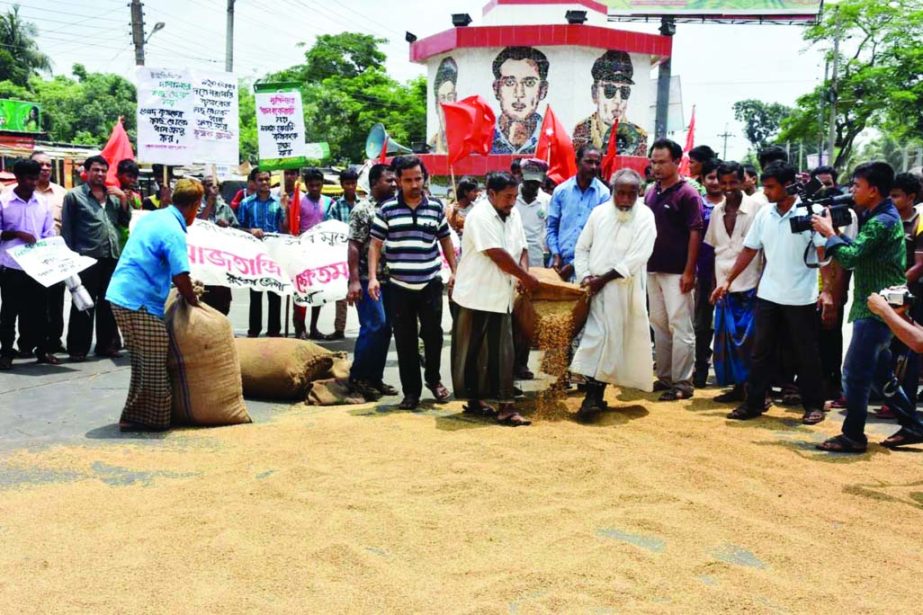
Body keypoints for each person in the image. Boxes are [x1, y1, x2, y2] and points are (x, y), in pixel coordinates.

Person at [811, 162, 923, 452]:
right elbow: (860, 251)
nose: (852, 191)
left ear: (873, 190)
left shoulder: (881, 221)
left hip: (876, 309)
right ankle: (912, 425)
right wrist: (836, 234)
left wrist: (829, 233)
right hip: (879, 306)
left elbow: (849, 258)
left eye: (857, 186)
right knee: (879, 373)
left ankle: (853, 435)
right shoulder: (881, 216)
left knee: (854, 372)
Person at [712, 161, 831, 424]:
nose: (765, 192)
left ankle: (814, 406)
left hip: (801, 296)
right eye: (764, 186)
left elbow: (824, 253)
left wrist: (828, 292)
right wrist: (728, 281)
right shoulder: (765, 214)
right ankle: (754, 402)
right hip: (768, 295)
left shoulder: (813, 211)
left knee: (806, 353)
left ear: (788, 186)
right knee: (760, 352)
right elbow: (750, 249)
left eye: (771, 187)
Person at [106, 178, 202, 432]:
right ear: (194, 205)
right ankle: (154, 419)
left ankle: (133, 415)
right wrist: (194, 301)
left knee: (142, 359)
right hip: (138, 299)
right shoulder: (173, 230)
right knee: (155, 358)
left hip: (122, 293)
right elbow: (181, 275)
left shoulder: (154, 217)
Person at [368, 156, 457, 410]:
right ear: (398, 181)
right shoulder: (386, 210)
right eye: (408, 180)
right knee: (405, 341)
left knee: (434, 336)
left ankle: (434, 379)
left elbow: (446, 241)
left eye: (418, 178)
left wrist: (455, 271)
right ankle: (411, 392)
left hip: (429, 283)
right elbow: (375, 245)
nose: (414, 184)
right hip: (399, 286)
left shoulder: (436, 207)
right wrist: (373, 277)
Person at [451, 171, 538, 426]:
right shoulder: (479, 216)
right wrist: (524, 276)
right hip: (476, 293)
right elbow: (496, 253)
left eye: (514, 196)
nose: (512, 201)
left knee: (502, 352)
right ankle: (475, 400)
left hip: (502, 295)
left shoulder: (514, 213)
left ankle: (506, 407)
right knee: (471, 352)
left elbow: (522, 247)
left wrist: (524, 275)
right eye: (507, 197)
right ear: (491, 194)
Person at [570, 168, 657, 418]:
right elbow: (582, 248)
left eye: (632, 194)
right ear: (612, 192)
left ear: (639, 193)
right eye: (621, 193)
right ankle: (592, 396)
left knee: (611, 341)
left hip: (624, 290)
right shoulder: (599, 213)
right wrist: (586, 276)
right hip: (594, 290)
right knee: (596, 340)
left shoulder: (645, 217)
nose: (626, 200)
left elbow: (638, 257)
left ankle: (594, 396)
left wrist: (603, 280)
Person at [645, 138, 703, 400]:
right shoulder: (650, 192)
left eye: (661, 162)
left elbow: (695, 232)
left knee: (681, 326)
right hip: (652, 268)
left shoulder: (688, 193)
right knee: (658, 323)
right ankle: (665, 376)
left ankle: (682, 382)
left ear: (678, 162)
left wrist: (690, 271)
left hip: (678, 271)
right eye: (653, 162)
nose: (656, 167)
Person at [705, 162, 765, 402]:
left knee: (752, 343)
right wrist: (713, 284)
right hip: (723, 286)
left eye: (733, 182)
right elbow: (714, 252)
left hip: (752, 284)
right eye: (724, 183)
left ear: (742, 181)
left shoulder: (758, 208)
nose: (728, 188)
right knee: (727, 341)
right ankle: (738, 388)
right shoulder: (716, 212)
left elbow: (765, 249)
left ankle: (758, 391)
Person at [61, 155, 130, 361]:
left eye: (103, 170)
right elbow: (68, 230)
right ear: (87, 172)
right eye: (96, 170)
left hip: (112, 256)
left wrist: (124, 199)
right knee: (83, 302)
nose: (100, 174)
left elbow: (124, 223)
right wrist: (70, 259)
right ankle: (78, 348)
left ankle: (106, 345)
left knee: (109, 303)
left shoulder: (114, 196)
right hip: (86, 258)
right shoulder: (74, 196)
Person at [3, 150, 68, 355]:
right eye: (29, 179)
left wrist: (50, 247)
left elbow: (48, 231)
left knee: (40, 311)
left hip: (37, 266)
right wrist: (16, 233)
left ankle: (42, 351)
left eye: (35, 178)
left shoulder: (43, 203)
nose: (33, 183)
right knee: (9, 311)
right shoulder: (4, 201)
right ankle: (6, 351)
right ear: (18, 178)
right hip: (10, 266)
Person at [346, 163, 399, 401]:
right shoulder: (363, 210)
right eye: (389, 180)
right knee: (374, 325)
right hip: (369, 279)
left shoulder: (397, 208)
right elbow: (354, 246)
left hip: (393, 280)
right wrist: (354, 281)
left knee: (386, 329)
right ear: (375, 182)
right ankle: (358, 379)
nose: (394, 184)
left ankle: (374, 379)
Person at [877, 172, 923, 415]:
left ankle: (904, 405)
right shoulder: (886, 219)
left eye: (895, 196)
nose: (891, 199)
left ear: (911, 197)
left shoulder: (920, 222)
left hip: (910, 295)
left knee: (909, 352)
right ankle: (888, 396)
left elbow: (919, 265)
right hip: (887, 297)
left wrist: (895, 287)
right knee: (888, 349)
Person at [546, 146, 612, 282]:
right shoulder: (561, 191)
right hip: (558, 266)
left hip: (587, 269)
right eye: (588, 161)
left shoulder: (604, 194)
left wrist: (573, 265)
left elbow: (602, 236)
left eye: (597, 163)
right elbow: (552, 228)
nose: (593, 167)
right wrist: (556, 255)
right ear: (577, 162)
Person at [512, 159, 551, 379]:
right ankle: (508, 363)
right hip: (510, 263)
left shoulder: (547, 201)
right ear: (520, 177)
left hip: (536, 265)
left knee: (527, 316)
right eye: (528, 183)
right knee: (510, 316)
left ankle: (522, 363)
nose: (532, 188)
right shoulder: (510, 197)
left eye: (536, 184)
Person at [237, 169, 286, 338]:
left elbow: (286, 230)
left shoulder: (280, 202)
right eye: (260, 180)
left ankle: (274, 331)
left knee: (275, 292)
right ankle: (254, 330)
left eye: (267, 179)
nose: (264, 183)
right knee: (256, 293)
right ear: (253, 182)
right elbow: (238, 228)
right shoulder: (246, 203)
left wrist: (286, 210)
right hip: (254, 254)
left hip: (275, 253)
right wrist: (250, 230)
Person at [572, 50, 648, 157]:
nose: (618, 100)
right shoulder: (582, 131)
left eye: (624, 91)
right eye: (609, 91)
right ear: (595, 94)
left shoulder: (640, 137)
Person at [293, 167, 334, 340]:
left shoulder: (329, 202)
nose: (315, 188)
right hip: (302, 250)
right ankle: (300, 327)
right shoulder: (299, 201)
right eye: (311, 185)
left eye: (318, 185)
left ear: (322, 184)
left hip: (321, 251)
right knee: (301, 290)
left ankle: (314, 326)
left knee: (318, 291)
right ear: (306, 185)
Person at [322, 168, 363, 341]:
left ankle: (365, 328)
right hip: (341, 253)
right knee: (341, 292)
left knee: (361, 291)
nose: (351, 187)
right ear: (342, 185)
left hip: (361, 254)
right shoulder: (336, 206)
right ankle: (340, 328)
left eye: (353, 183)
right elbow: (330, 228)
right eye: (347, 184)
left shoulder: (363, 205)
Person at [694, 157, 722, 387]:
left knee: (725, 324)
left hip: (728, 274)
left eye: (718, 177)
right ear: (701, 180)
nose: (714, 182)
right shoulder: (698, 205)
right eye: (709, 177)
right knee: (702, 324)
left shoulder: (732, 206)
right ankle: (700, 368)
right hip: (702, 272)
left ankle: (725, 372)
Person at [490, 46, 549, 154]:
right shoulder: (481, 139)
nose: (519, 94)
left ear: (542, 90)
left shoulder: (553, 140)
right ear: (496, 89)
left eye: (529, 83)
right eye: (509, 83)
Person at [197, 175, 238, 315]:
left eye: (215, 186)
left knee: (222, 298)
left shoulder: (225, 208)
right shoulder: (196, 205)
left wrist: (227, 228)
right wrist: (209, 203)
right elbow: (197, 225)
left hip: (221, 259)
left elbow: (237, 231)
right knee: (203, 296)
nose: (212, 189)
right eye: (208, 185)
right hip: (202, 258)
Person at [429, 57, 458, 154]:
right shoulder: (433, 142)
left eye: (450, 98)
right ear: (436, 105)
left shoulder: (464, 138)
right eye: (442, 98)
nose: (447, 105)